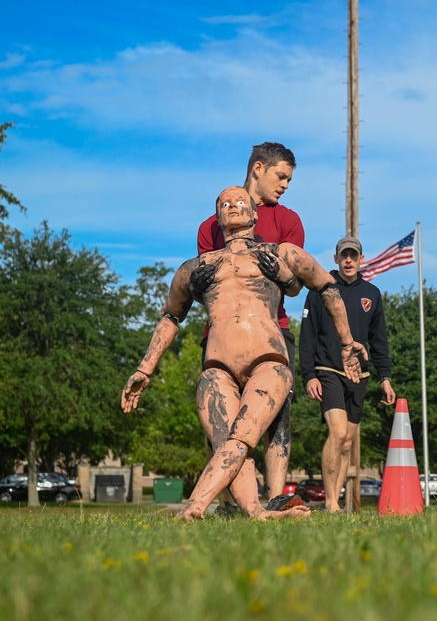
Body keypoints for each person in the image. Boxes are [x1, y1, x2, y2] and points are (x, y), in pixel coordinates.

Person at [122, 187, 366, 521]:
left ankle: (194, 507)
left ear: (254, 215)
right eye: (225, 203)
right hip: (217, 368)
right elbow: (171, 316)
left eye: (240, 202)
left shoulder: (279, 254)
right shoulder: (195, 268)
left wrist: (347, 341)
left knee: (241, 437)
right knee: (227, 443)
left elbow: (326, 286)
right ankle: (255, 511)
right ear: (217, 217)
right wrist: (145, 369)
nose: (233, 206)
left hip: (269, 363)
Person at [197, 142, 303, 504]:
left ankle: (275, 497)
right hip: (220, 337)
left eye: (289, 179)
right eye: (281, 176)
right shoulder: (211, 225)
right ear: (258, 169)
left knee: (277, 418)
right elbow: (208, 285)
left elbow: (296, 283)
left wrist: (284, 274)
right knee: (220, 421)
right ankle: (229, 503)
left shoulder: (288, 220)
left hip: (275, 331)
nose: (286, 184)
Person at [299, 236, 395, 513]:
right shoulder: (320, 291)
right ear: (336, 259)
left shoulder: (372, 294)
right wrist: (309, 375)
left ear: (362, 259)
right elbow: (307, 337)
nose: (349, 260)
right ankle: (330, 503)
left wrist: (384, 377)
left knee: (348, 442)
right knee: (338, 433)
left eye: (353, 255)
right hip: (328, 370)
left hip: (359, 377)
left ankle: (336, 501)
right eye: (344, 255)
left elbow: (380, 340)